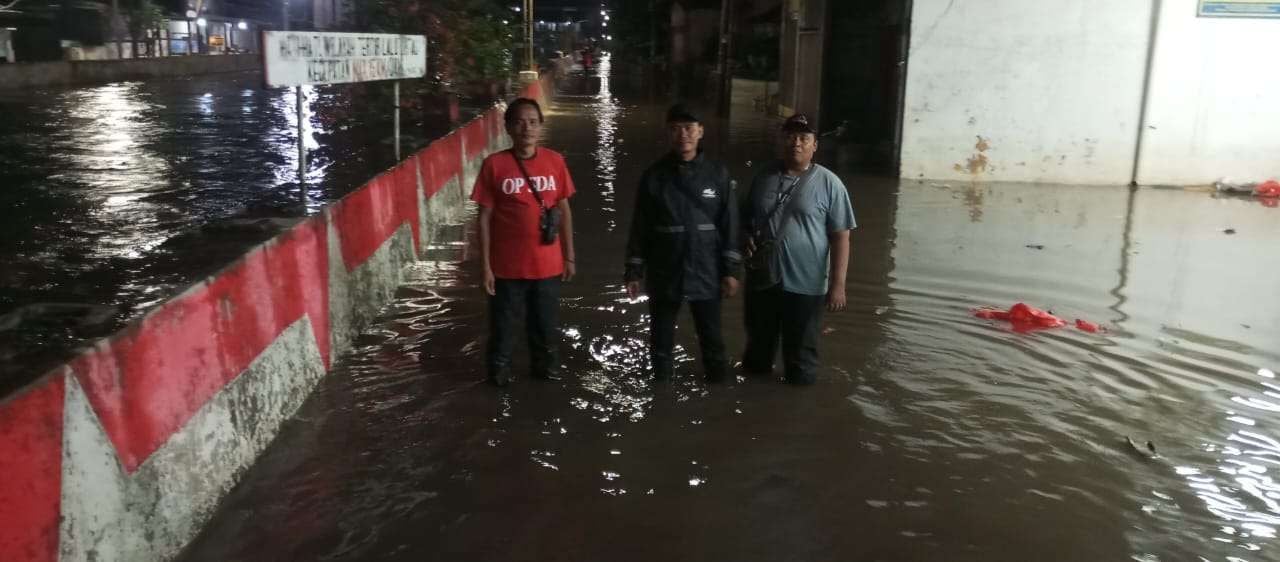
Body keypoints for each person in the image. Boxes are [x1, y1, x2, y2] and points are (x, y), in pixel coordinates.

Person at [624, 104, 740, 383]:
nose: (683, 134)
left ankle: (718, 390)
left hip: (707, 270)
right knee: (660, 339)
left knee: (712, 339)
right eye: (676, 129)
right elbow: (640, 227)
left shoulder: (718, 175)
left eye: (689, 128)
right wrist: (634, 271)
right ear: (668, 133)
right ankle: (661, 391)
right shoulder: (654, 176)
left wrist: (732, 271)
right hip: (665, 270)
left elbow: (731, 225)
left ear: (701, 132)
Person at [741, 114, 855, 385]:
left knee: (801, 360)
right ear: (782, 140)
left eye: (804, 138)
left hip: (806, 284)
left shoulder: (830, 184)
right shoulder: (763, 176)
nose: (797, 143)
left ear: (815, 145)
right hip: (763, 280)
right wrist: (743, 236)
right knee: (757, 352)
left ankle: (798, 408)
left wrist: (837, 285)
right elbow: (745, 219)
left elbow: (841, 237)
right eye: (791, 136)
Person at [470, 98, 577, 387]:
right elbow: (483, 218)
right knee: (503, 328)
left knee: (544, 327)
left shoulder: (555, 161)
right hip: (506, 270)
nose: (526, 128)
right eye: (519, 121)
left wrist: (569, 256)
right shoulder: (494, 165)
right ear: (508, 127)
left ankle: (546, 376)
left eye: (532, 121)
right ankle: (497, 377)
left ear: (541, 126)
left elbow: (564, 210)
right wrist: (485, 268)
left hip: (548, 267)